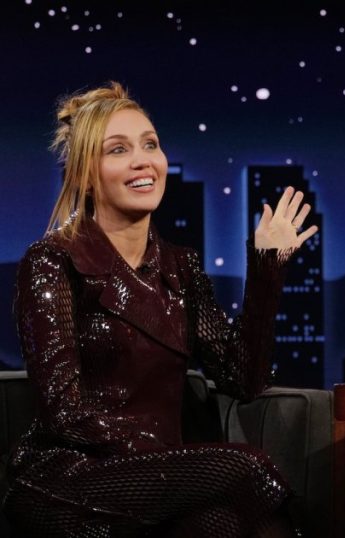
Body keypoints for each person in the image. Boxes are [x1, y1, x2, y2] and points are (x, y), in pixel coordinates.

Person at [2, 82, 318, 536]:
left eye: (150, 144)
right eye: (118, 149)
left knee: (225, 524)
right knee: (247, 467)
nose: (143, 160)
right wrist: (168, 459)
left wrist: (267, 268)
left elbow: (242, 379)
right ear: (85, 175)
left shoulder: (181, 267)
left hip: (162, 476)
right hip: (72, 477)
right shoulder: (53, 262)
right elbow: (64, 413)